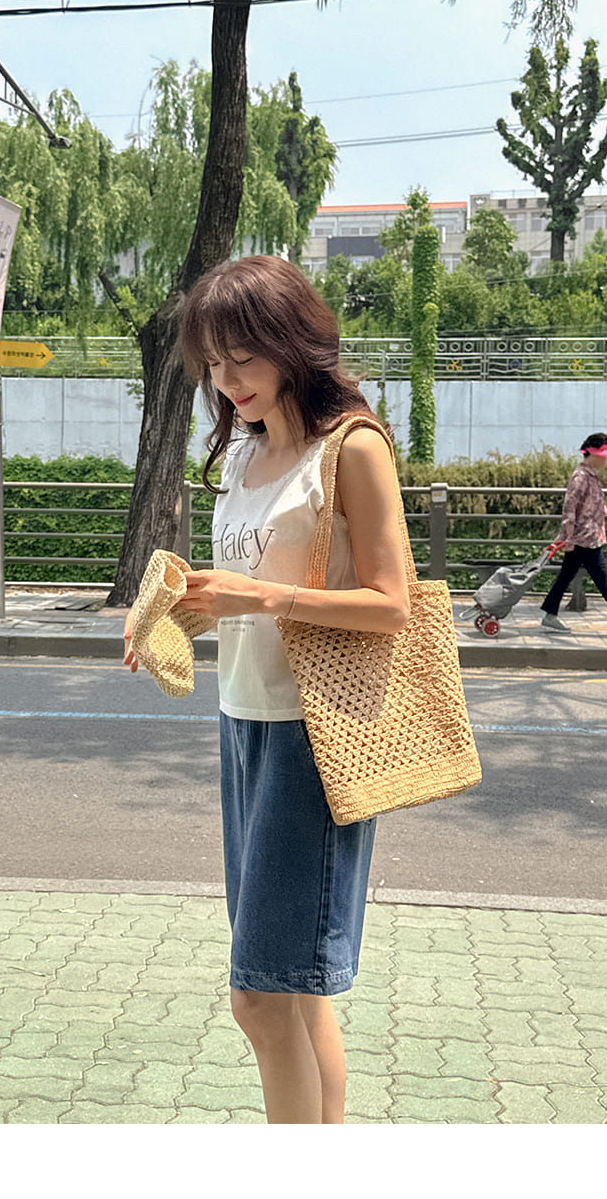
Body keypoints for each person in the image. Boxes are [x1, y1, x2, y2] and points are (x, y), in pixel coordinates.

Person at [124, 255, 410, 1124]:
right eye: (212, 362)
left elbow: (392, 604)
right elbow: (247, 592)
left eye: (242, 355)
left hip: (312, 735)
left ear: (292, 340)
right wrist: (178, 611)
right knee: (297, 991)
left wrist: (257, 596)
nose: (227, 379)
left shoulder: (352, 447)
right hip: (242, 721)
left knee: (260, 998)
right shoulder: (245, 452)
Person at [540, 432, 607, 635]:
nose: (606, 460)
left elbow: (599, 505)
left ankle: (550, 615)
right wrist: (568, 538)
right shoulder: (580, 477)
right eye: (604, 455)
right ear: (593, 454)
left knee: (566, 576)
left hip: (588, 537)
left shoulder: (591, 476)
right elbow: (569, 508)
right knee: (603, 578)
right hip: (584, 538)